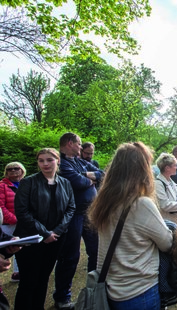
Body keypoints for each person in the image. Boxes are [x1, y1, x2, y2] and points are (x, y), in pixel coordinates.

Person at [88, 142, 173, 310]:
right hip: (139, 290)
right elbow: (167, 243)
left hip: (112, 287)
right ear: (141, 170)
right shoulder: (141, 204)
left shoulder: (105, 201)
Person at [14, 148, 76, 310]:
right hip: (30, 239)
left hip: (55, 240)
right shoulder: (28, 182)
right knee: (29, 282)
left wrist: (57, 231)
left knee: (43, 279)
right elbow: (22, 211)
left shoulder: (65, 183)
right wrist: (45, 233)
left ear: (58, 161)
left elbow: (71, 208)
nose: (45, 164)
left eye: (49, 160)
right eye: (41, 160)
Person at [54, 132, 104, 309]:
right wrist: (89, 178)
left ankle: (93, 290)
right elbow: (77, 182)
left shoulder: (79, 161)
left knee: (96, 252)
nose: (81, 147)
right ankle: (62, 296)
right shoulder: (61, 162)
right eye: (79, 144)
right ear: (70, 143)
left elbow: (102, 173)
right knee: (70, 256)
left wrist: (86, 175)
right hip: (73, 214)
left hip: (89, 214)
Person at [0, 162, 26, 282]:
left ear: (22, 170)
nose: (13, 171)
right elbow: (1, 207)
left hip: (24, 221)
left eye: (17, 168)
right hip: (8, 224)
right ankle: (15, 272)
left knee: (20, 245)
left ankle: (20, 272)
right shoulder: (2, 185)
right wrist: (15, 219)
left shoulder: (26, 184)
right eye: (10, 169)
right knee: (8, 247)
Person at [155, 153, 177, 224]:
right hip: (165, 223)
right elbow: (165, 205)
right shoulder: (158, 184)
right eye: (175, 165)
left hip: (175, 221)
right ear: (167, 168)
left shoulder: (172, 182)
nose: (176, 168)